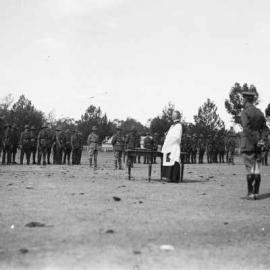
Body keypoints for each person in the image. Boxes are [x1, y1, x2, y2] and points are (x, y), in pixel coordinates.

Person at [240, 89, 266, 200]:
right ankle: (256, 193)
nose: (242, 101)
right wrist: (262, 140)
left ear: (246, 99)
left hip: (248, 144)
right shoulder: (260, 112)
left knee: (249, 169)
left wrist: (255, 140)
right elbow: (265, 128)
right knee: (257, 169)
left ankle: (250, 194)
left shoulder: (245, 112)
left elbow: (246, 129)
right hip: (258, 145)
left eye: (243, 99)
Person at [161, 111, 183, 182]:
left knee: (174, 160)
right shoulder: (172, 126)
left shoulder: (179, 125)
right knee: (168, 161)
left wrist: (170, 140)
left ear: (177, 116)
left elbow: (177, 137)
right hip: (169, 147)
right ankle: (168, 177)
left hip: (174, 146)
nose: (172, 116)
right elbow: (169, 135)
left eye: (173, 115)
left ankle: (174, 178)